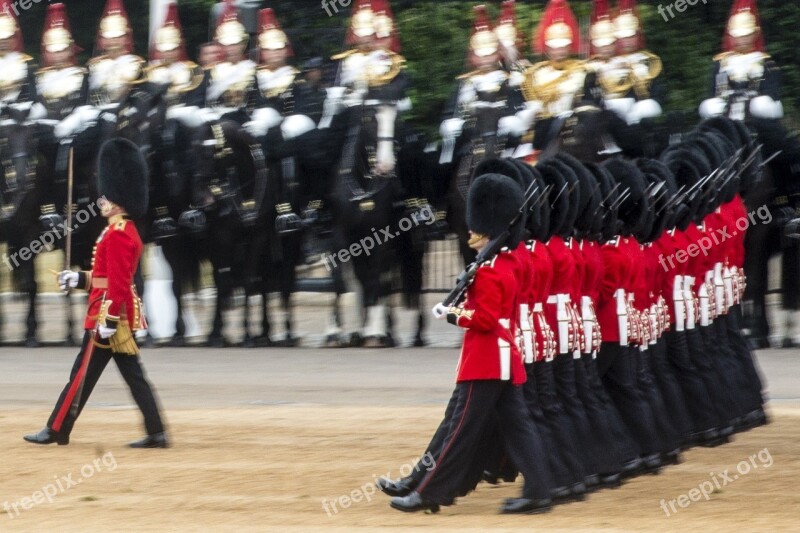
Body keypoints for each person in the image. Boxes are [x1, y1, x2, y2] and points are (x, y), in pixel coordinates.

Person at [389, 173, 553, 514]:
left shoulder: (492, 270)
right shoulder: (501, 263)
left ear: (487, 229)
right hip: (501, 359)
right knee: (518, 428)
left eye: (474, 228)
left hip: (487, 361)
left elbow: (486, 319)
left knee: (459, 429)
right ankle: (539, 489)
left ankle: (430, 492)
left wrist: (452, 314)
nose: (469, 233)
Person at [24, 138, 168, 449]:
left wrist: (110, 319)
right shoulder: (121, 231)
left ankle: (57, 428)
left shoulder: (117, 235)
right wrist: (76, 278)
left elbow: (116, 283)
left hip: (107, 314)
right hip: (113, 312)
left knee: (82, 373)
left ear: (119, 200)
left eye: (106, 196)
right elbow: (104, 278)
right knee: (129, 375)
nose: (101, 200)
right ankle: (156, 431)